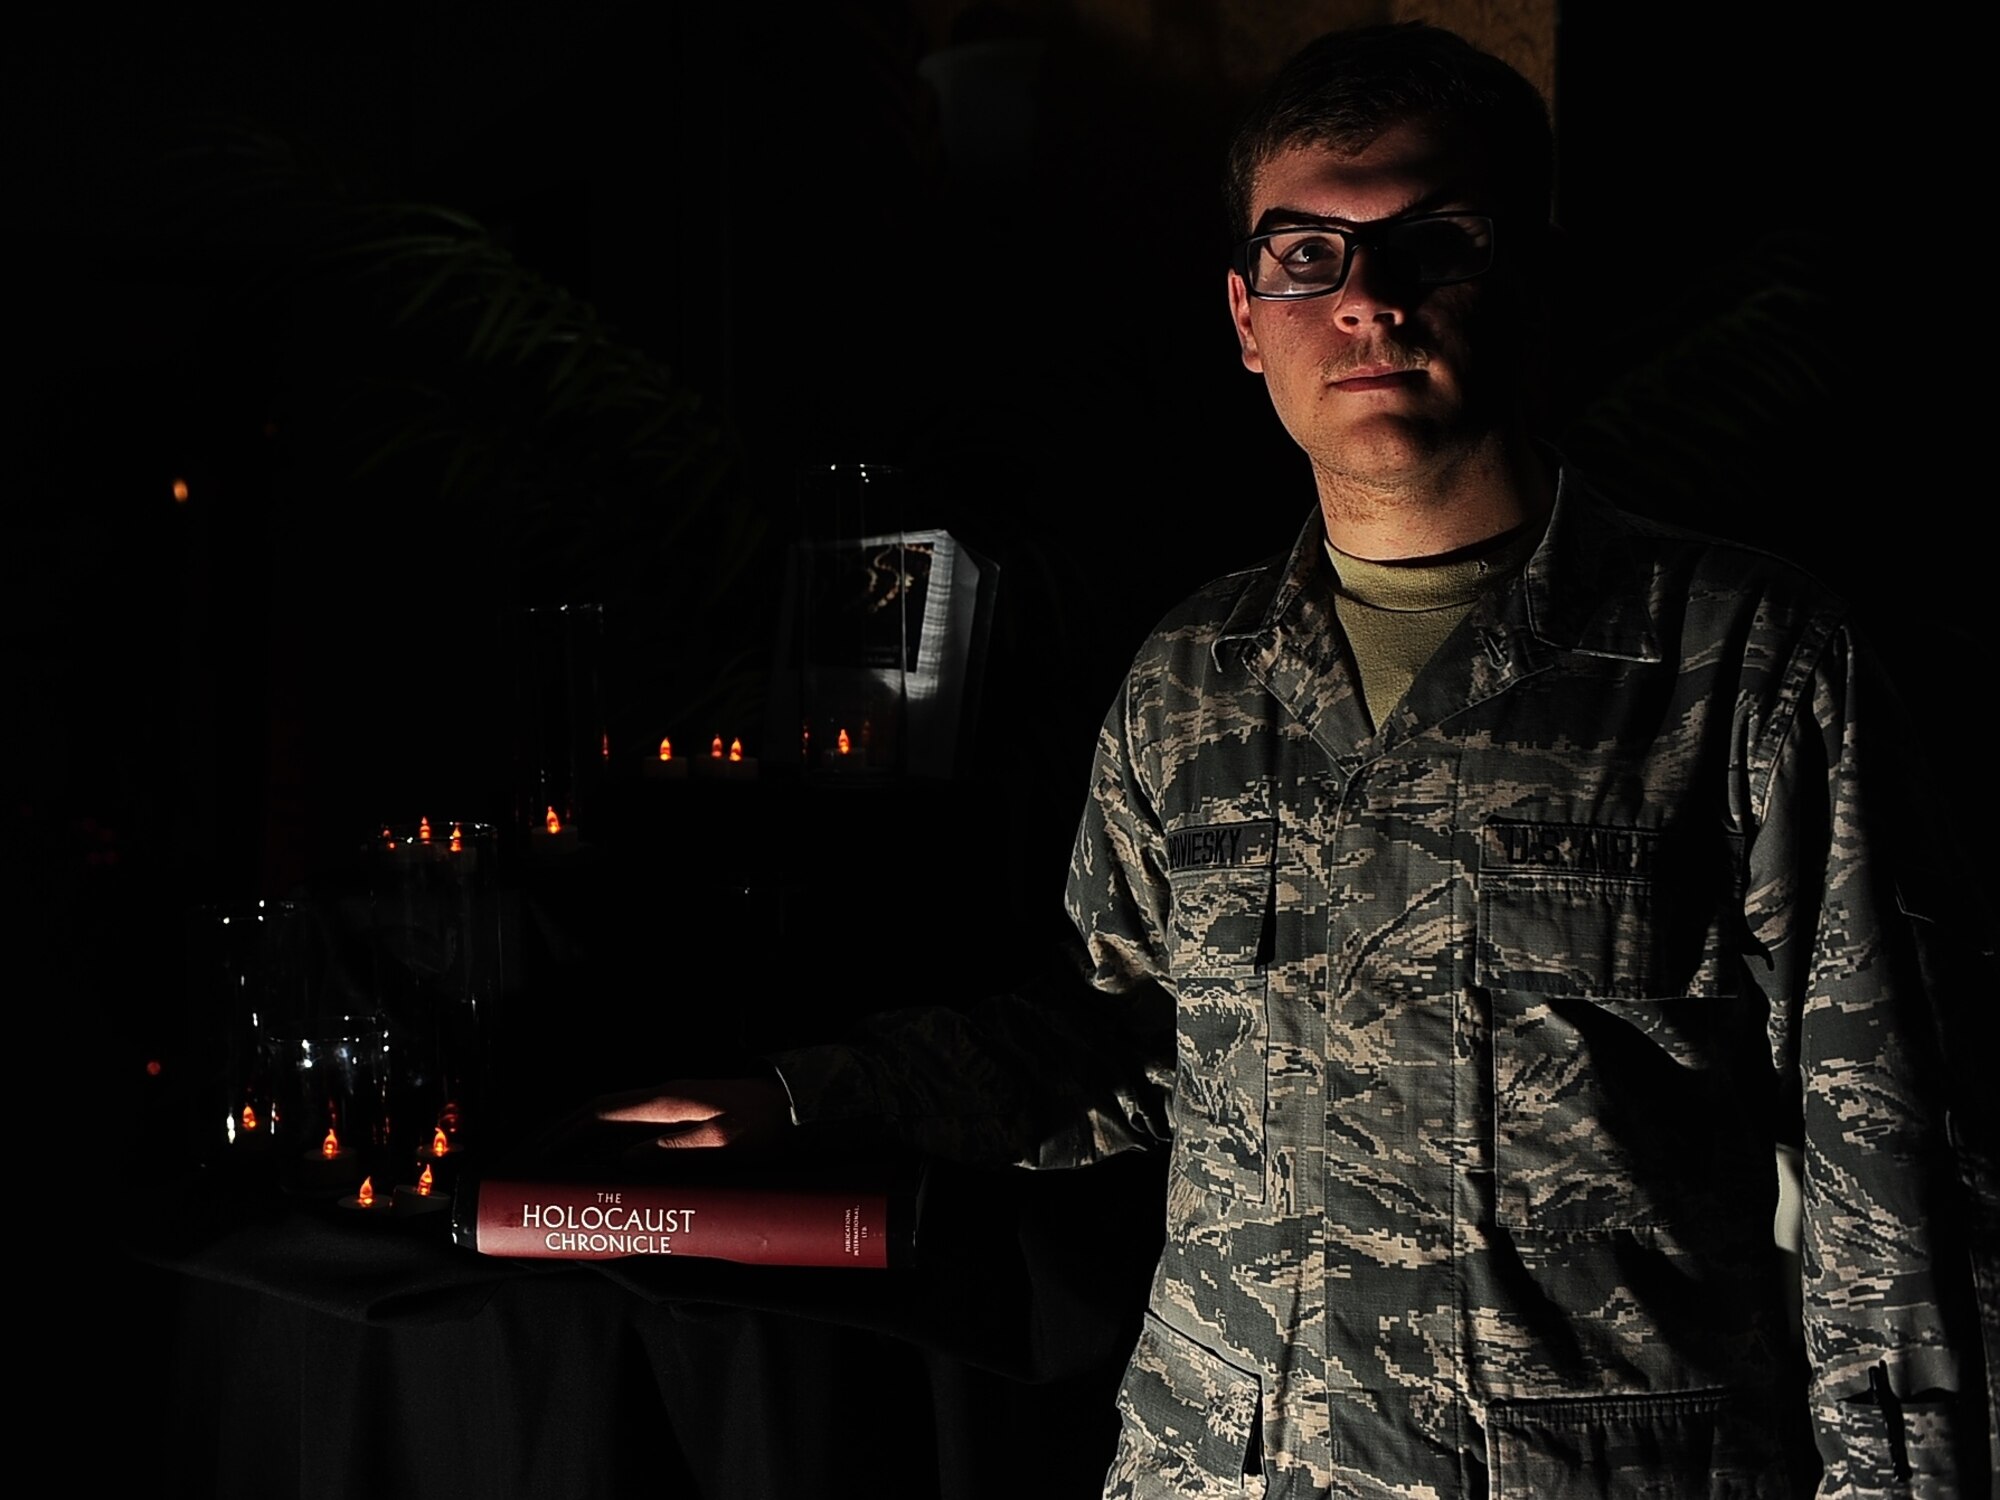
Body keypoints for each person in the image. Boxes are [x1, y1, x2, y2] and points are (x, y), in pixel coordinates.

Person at [588, 23, 1993, 1498]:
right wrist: (808, 1100)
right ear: (1249, 316)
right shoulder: (1192, 684)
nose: (1368, 300)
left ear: (1533, 281)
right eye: (1309, 255)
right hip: (1226, 1467)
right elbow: (1116, 1038)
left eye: (1430, 242)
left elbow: (1897, 1167)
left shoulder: (1745, 664)